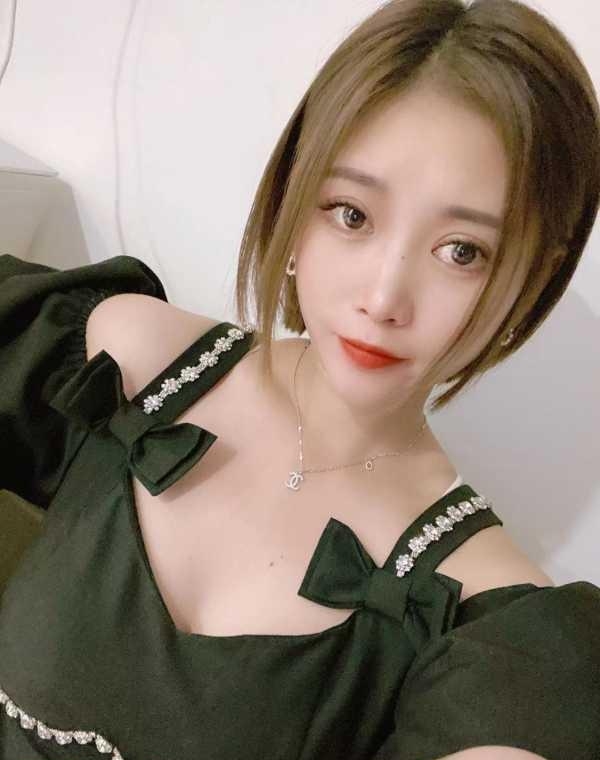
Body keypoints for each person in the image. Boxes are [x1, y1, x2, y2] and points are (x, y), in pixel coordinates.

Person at [0, 0, 599, 758]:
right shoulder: (127, 364)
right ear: (294, 195)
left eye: (461, 251)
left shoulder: (489, 618)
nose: (383, 298)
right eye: (352, 214)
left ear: (528, 281)